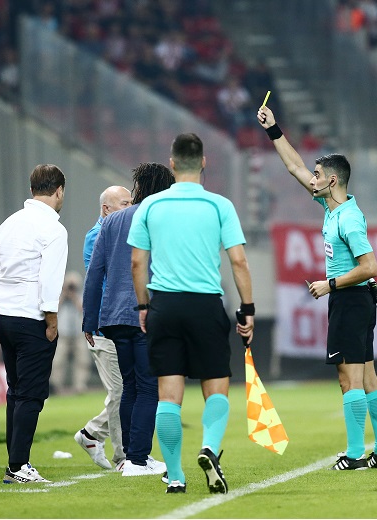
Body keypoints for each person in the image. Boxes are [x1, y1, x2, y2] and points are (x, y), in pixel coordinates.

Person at [127, 134, 255, 494]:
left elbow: (137, 262)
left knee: (168, 395)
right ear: (203, 162)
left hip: (164, 305)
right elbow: (239, 261)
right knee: (216, 387)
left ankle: (175, 476)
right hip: (205, 305)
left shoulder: (151, 206)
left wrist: (143, 306)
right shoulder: (219, 205)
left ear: (172, 163)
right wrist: (247, 308)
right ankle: (210, 448)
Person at [257, 105, 377, 470]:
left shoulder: (348, 219)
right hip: (357, 300)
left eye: (318, 174)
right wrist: (274, 130)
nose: (312, 178)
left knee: (348, 378)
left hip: (351, 300)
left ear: (333, 181)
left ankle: (355, 455)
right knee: (368, 378)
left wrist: (330, 285)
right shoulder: (333, 209)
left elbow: (370, 266)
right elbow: (294, 166)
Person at [83, 163, 175, 478]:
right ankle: (137, 459)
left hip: (113, 317)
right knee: (148, 387)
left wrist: (89, 319)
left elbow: (95, 273)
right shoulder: (159, 219)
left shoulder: (111, 221)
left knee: (130, 386)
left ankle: (131, 458)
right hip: (146, 314)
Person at [0, 164, 68, 483]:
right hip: (31, 318)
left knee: (16, 390)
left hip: (4, 316)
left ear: (32, 189)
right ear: (59, 190)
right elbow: (50, 279)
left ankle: (15, 461)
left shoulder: (8, 224)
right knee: (31, 394)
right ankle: (18, 465)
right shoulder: (53, 230)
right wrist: (52, 320)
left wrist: (1, 305)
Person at [75, 186, 132, 471]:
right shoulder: (97, 236)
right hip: (105, 325)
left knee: (129, 390)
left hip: (121, 322)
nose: (130, 208)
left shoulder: (120, 232)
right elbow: (99, 282)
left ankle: (91, 433)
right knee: (120, 391)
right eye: (124, 203)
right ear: (106, 209)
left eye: (131, 202)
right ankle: (124, 457)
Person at [50, 271, 92, 395]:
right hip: (63, 334)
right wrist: (64, 294)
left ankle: (80, 386)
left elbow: (83, 309)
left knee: (82, 361)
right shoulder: (60, 297)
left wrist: (73, 296)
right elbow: (54, 309)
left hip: (78, 333)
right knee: (57, 361)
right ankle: (55, 386)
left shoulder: (81, 295)